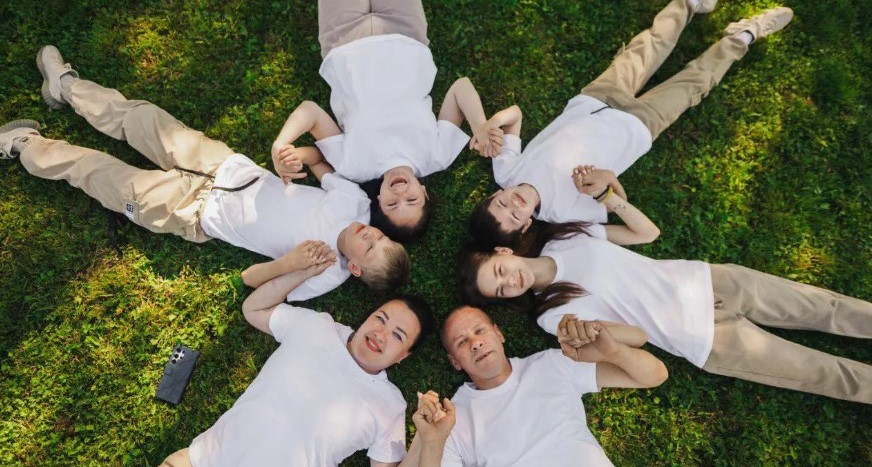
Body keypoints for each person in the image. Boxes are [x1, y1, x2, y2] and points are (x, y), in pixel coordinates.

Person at [0, 45, 410, 299]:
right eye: (381, 237)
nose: (370, 235)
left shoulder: (324, 274)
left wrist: (290, 263)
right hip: (224, 165)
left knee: (102, 175)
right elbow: (319, 162)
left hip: (193, 211)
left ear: (355, 268)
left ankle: (24, 146)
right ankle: (66, 87)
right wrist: (296, 159)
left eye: (370, 249)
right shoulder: (356, 204)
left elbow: (252, 281)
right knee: (141, 118)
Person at [468, 0, 794, 252]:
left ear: (496, 194)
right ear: (526, 226)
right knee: (696, 82)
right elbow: (625, 216)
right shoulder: (563, 216)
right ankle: (745, 35)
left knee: (650, 44)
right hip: (637, 127)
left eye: (502, 203)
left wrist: (489, 124)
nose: (514, 204)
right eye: (514, 217)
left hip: (595, 99)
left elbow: (515, 115)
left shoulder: (507, 173)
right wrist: (605, 186)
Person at [459, 189, 872, 403]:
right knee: (827, 373)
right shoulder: (552, 316)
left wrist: (610, 199)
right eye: (500, 291)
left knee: (828, 307)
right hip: (706, 339)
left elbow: (646, 233)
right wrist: (595, 335)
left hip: (709, 281)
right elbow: (638, 336)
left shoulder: (563, 237)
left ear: (504, 252)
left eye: (499, 272)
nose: (510, 283)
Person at [159, 241, 438, 466]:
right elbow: (253, 309)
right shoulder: (318, 326)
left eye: (398, 336)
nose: (380, 334)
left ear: (403, 355)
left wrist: (427, 439)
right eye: (381, 318)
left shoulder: (390, 404)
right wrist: (304, 272)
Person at [270, 0, 499, 244]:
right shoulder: (437, 156)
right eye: (412, 200)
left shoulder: (352, 166)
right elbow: (461, 87)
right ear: (424, 192)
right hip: (405, 33)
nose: (401, 194)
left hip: (344, 41)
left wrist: (281, 144)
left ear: (378, 199)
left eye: (392, 204)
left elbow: (310, 112)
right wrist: (479, 125)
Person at [436, 306, 667, 465]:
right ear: (455, 361)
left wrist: (614, 352)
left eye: (479, 331)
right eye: (462, 342)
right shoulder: (452, 420)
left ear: (499, 334)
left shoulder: (553, 363)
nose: (475, 343)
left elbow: (655, 375)